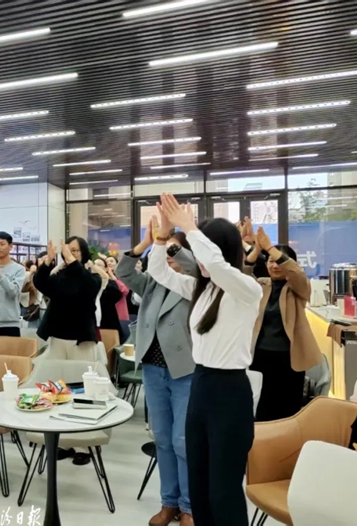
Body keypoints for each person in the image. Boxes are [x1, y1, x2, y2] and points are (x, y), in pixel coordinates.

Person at [146, 194, 262, 526]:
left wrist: (190, 229)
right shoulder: (202, 289)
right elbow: (158, 271)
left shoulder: (246, 289)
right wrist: (162, 236)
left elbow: (219, 266)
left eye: (200, 252)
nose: (196, 260)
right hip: (201, 385)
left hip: (230, 392)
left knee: (223, 490)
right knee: (199, 484)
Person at [116, 215, 198, 526]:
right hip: (153, 367)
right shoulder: (152, 281)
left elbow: (197, 269)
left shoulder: (194, 282)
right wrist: (147, 244)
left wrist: (172, 245)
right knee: (162, 437)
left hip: (184, 369)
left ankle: (189, 506)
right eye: (165, 250)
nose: (168, 257)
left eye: (175, 251)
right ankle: (169, 502)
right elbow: (124, 271)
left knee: (182, 440)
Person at [243, 222, 321, 422]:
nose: (274, 266)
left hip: (289, 358)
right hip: (260, 355)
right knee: (261, 406)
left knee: (287, 409)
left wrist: (270, 248)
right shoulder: (261, 285)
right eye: (270, 261)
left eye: (278, 261)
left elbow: (296, 273)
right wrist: (256, 250)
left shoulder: (298, 288)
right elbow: (242, 276)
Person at [34, 237, 101, 361]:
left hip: (81, 338)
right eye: (67, 250)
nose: (69, 254)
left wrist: (72, 261)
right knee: (56, 373)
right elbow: (40, 283)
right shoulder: (60, 276)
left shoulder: (92, 276)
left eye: (74, 250)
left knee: (81, 372)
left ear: (83, 252)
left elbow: (89, 288)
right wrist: (48, 261)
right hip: (57, 336)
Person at [0, 232, 26, 340]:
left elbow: (13, 292)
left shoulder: (19, 269)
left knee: (10, 351)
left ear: (10, 246)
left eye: (2, 244)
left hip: (10, 324)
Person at [106, 256, 131, 342]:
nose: (109, 263)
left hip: (120, 315)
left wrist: (112, 275)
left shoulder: (121, 277)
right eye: (107, 261)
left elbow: (124, 290)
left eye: (111, 261)